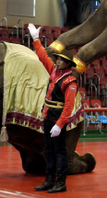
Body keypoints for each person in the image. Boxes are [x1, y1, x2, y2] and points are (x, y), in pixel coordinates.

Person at [29, 23, 79, 194]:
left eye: (60, 60)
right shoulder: (54, 72)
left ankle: (61, 182)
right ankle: (49, 179)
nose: (57, 61)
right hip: (47, 116)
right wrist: (35, 39)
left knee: (60, 152)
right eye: (57, 59)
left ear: (67, 63)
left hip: (57, 119)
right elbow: (43, 56)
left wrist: (60, 124)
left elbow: (69, 107)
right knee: (48, 150)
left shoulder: (70, 82)